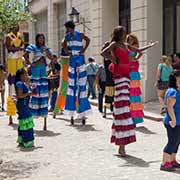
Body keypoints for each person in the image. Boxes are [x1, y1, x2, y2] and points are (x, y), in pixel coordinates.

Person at [101, 26, 136, 156]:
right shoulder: (115, 44)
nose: (124, 33)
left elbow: (133, 54)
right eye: (123, 32)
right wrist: (112, 58)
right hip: (119, 76)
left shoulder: (124, 45)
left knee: (125, 108)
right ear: (119, 33)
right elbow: (103, 52)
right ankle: (121, 146)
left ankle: (122, 145)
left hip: (126, 76)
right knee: (122, 109)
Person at [62, 21, 91, 125]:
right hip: (72, 59)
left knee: (82, 85)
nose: (67, 30)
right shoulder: (67, 36)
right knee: (71, 86)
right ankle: (71, 111)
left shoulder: (80, 34)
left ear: (71, 28)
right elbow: (63, 43)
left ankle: (83, 112)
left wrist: (84, 49)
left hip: (80, 58)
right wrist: (66, 51)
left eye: (67, 28)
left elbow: (88, 40)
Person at [126, 33, 158, 124]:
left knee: (134, 90)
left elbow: (141, 52)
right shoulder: (127, 46)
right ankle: (129, 115)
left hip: (134, 66)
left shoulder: (135, 46)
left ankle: (134, 117)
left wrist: (136, 58)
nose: (130, 40)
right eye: (129, 39)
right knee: (129, 89)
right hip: (128, 66)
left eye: (131, 38)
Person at [23, 33, 53, 130]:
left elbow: (51, 57)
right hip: (36, 72)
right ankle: (31, 121)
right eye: (40, 38)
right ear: (37, 39)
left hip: (43, 72)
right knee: (35, 94)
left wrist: (49, 55)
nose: (42, 40)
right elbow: (25, 55)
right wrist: (31, 64)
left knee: (44, 95)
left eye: (43, 38)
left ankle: (45, 123)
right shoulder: (33, 47)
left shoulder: (46, 48)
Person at [160, 70, 180, 172]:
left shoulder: (177, 90)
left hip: (178, 122)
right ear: (175, 79)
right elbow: (170, 107)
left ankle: (172, 160)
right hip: (172, 122)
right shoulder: (172, 91)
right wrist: (173, 120)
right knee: (172, 142)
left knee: (177, 142)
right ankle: (164, 163)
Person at [5, 24, 24, 125]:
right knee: (11, 86)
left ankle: (20, 111)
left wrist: (16, 48)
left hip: (19, 61)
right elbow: (8, 47)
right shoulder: (9, 36)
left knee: (19, 85)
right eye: (15, 26)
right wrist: (18, 48)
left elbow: (23, 45)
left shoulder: (20, 35)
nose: (17, 27)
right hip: (12, 61)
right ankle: (11, 116)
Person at [15, 68, 36, 148]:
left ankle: (22, 139)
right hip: (22, 105)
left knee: (23, 122)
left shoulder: (22, 83)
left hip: (24, 104)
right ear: (21, 75)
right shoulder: (19, 83)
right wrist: (28, 94)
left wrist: (30, 93)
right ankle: (27, 141)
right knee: (26, 121)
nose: (26, 75)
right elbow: (20, 96)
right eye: (25, 74)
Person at [54, 42, 70, 117]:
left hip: (68, 75)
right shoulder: (66, 50)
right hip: (66, 76)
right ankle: (57, 109)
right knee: (63, 91)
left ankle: (57, 110)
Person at [101, 41, 114, 118]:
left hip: (113, 79)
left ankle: (111, 111)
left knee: (112, 97)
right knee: (108, 97)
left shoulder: (110, 56)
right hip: (109, 80)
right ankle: (105, 112)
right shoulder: (107, 57)